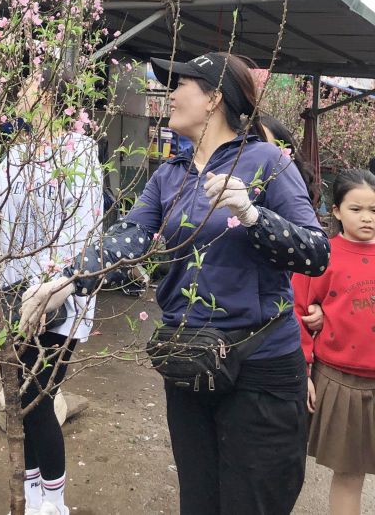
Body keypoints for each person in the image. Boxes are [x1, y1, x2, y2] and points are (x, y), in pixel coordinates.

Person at [20, 52, 331, 515]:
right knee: (199, 502)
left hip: (260, 368)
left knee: (252, 503)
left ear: (213, 99)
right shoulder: (170, 174)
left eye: (181, 84)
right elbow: (128, 236)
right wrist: (68, 280)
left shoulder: (267, 161)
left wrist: (252, 214)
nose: (170, 94)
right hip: (189, 359)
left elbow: (316, 252)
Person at [0, 67, 103, 515]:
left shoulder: (80, 150)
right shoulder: (13, 154)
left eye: (29, 89)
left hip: (60, 295)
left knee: (39, 397)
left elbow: (84, 226)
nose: (19, 97)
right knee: (24, 396)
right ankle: (34, 494)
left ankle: (52, 502)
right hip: (15, 293)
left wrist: (55, 283)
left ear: (54, 99)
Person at [293, 168, 375, 515]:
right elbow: (297, 309)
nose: (367, 218)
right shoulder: (322, 255)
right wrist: (304, 367)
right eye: (356, 209)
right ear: (337, 211)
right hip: (342, 381)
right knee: (349, 473)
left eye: (374, 209)